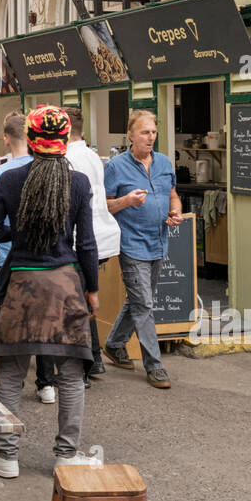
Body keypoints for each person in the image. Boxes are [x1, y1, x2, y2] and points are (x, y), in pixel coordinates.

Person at [0, 106, 98, 476]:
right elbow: (87, 244)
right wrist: (92, 290)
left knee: (12, 372)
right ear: (64, 141)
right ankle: (66, 454)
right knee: (72, 374)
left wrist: (24, 231)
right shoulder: (77, 183)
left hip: (21, 285)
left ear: (30, 141)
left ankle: (7, 457)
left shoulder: (10, 180)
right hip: (65, 284)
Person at [0, 111, 63, 401]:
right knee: (46, 322)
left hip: (12, 260)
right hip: (53, 263)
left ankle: (6, 384)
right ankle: (46, 383)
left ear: (6, 138)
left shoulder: (0, 172)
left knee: (12, 325)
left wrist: (15, 231)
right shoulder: (59, 170)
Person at [103, 109, 182, 390]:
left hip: (159, 241)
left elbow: (173, 195)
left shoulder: (163, 163)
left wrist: (176, 212)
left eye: (153, 132)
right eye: (145, 132)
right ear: (131, 135)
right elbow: (105, 206)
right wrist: (126, 201)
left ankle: (113, 344)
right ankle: (155, 365)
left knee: (139, 301)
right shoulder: (115, 167)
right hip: (131, 243)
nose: (151, 137)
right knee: (144, 304)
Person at [64, 106, 120, 384]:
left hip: (78, 240)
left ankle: (86, 364)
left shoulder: (68, 158)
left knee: (76, 304)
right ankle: (94, 360)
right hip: (99, 237)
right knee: (84, 300)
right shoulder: (93, 157)